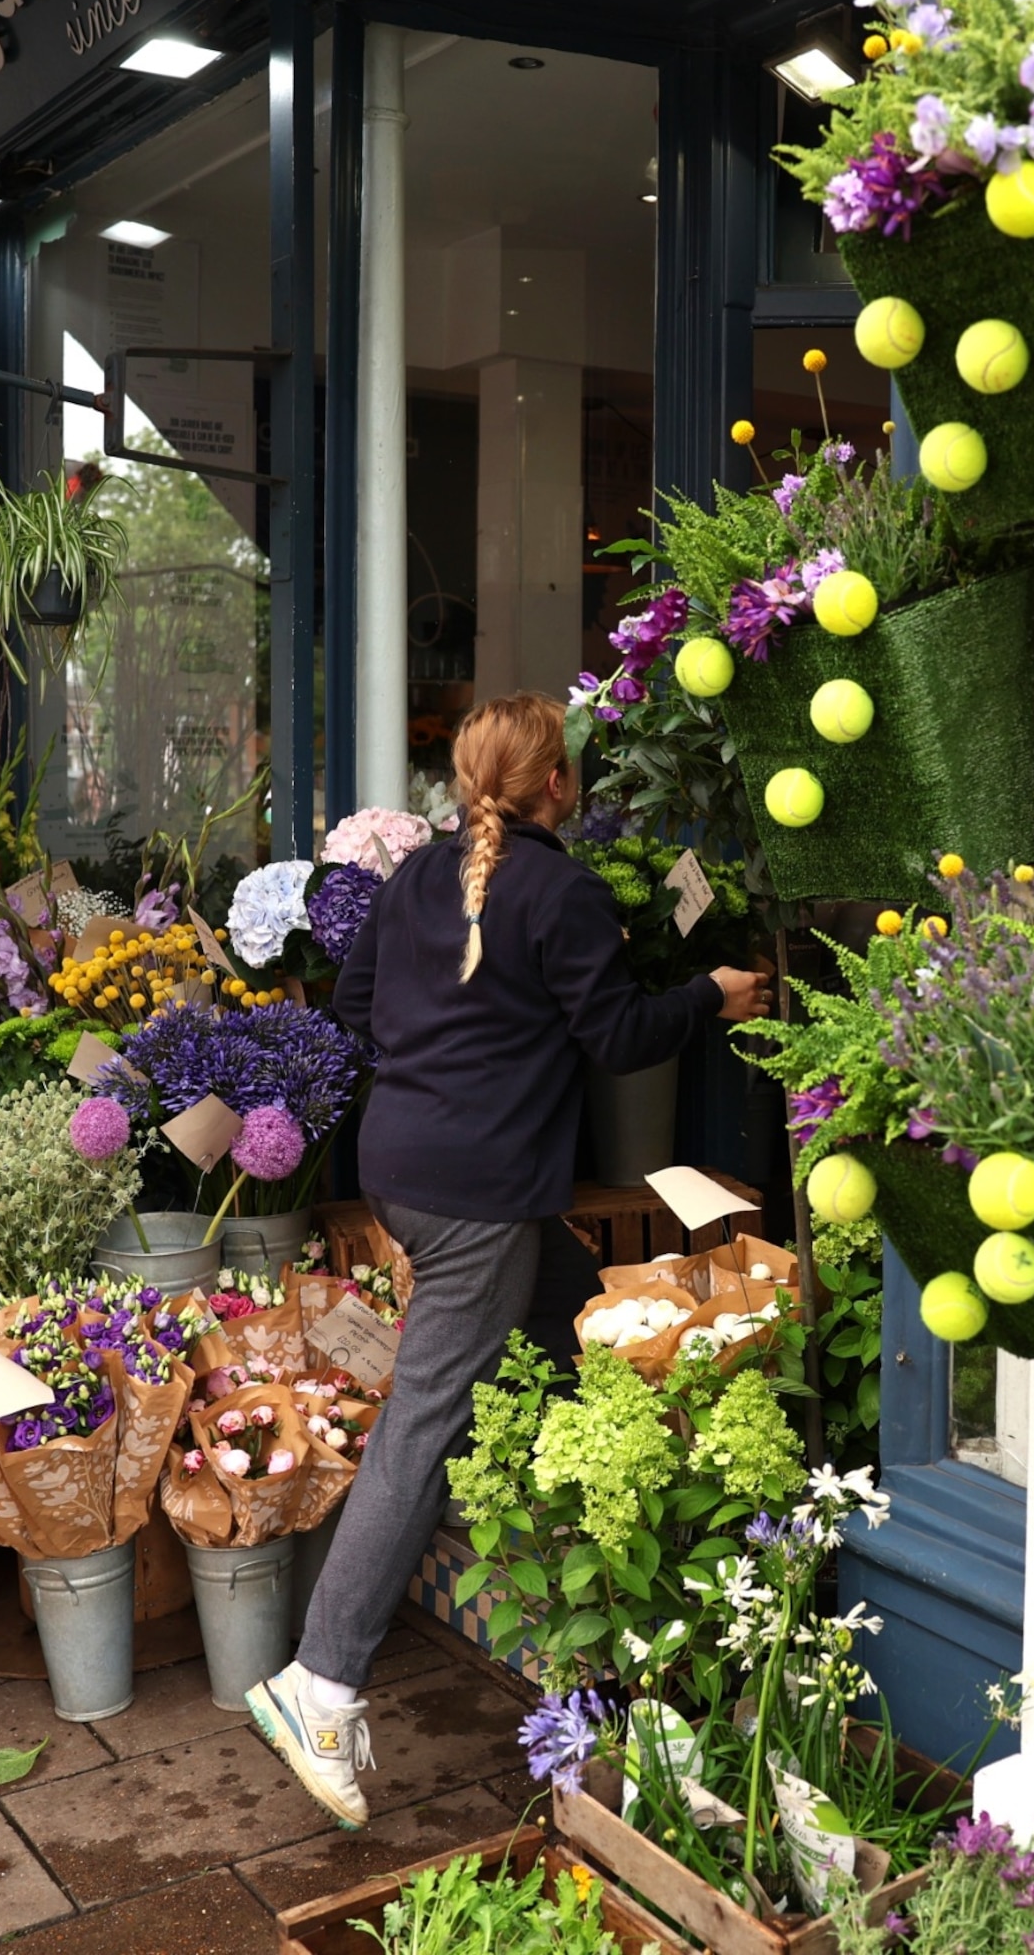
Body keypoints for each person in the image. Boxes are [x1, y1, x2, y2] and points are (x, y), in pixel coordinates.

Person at [245, 693, 770, 1828]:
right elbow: (623, 1036)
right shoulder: (564, 891)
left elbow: (354, 1004)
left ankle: (640, 1672)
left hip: (411, 1172)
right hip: (480, 1199)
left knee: (598, 1359)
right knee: (425, 1427)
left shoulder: (413, 879)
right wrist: (710, 996)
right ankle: (320, 1683)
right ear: (558, 787)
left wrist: (446, 1070)